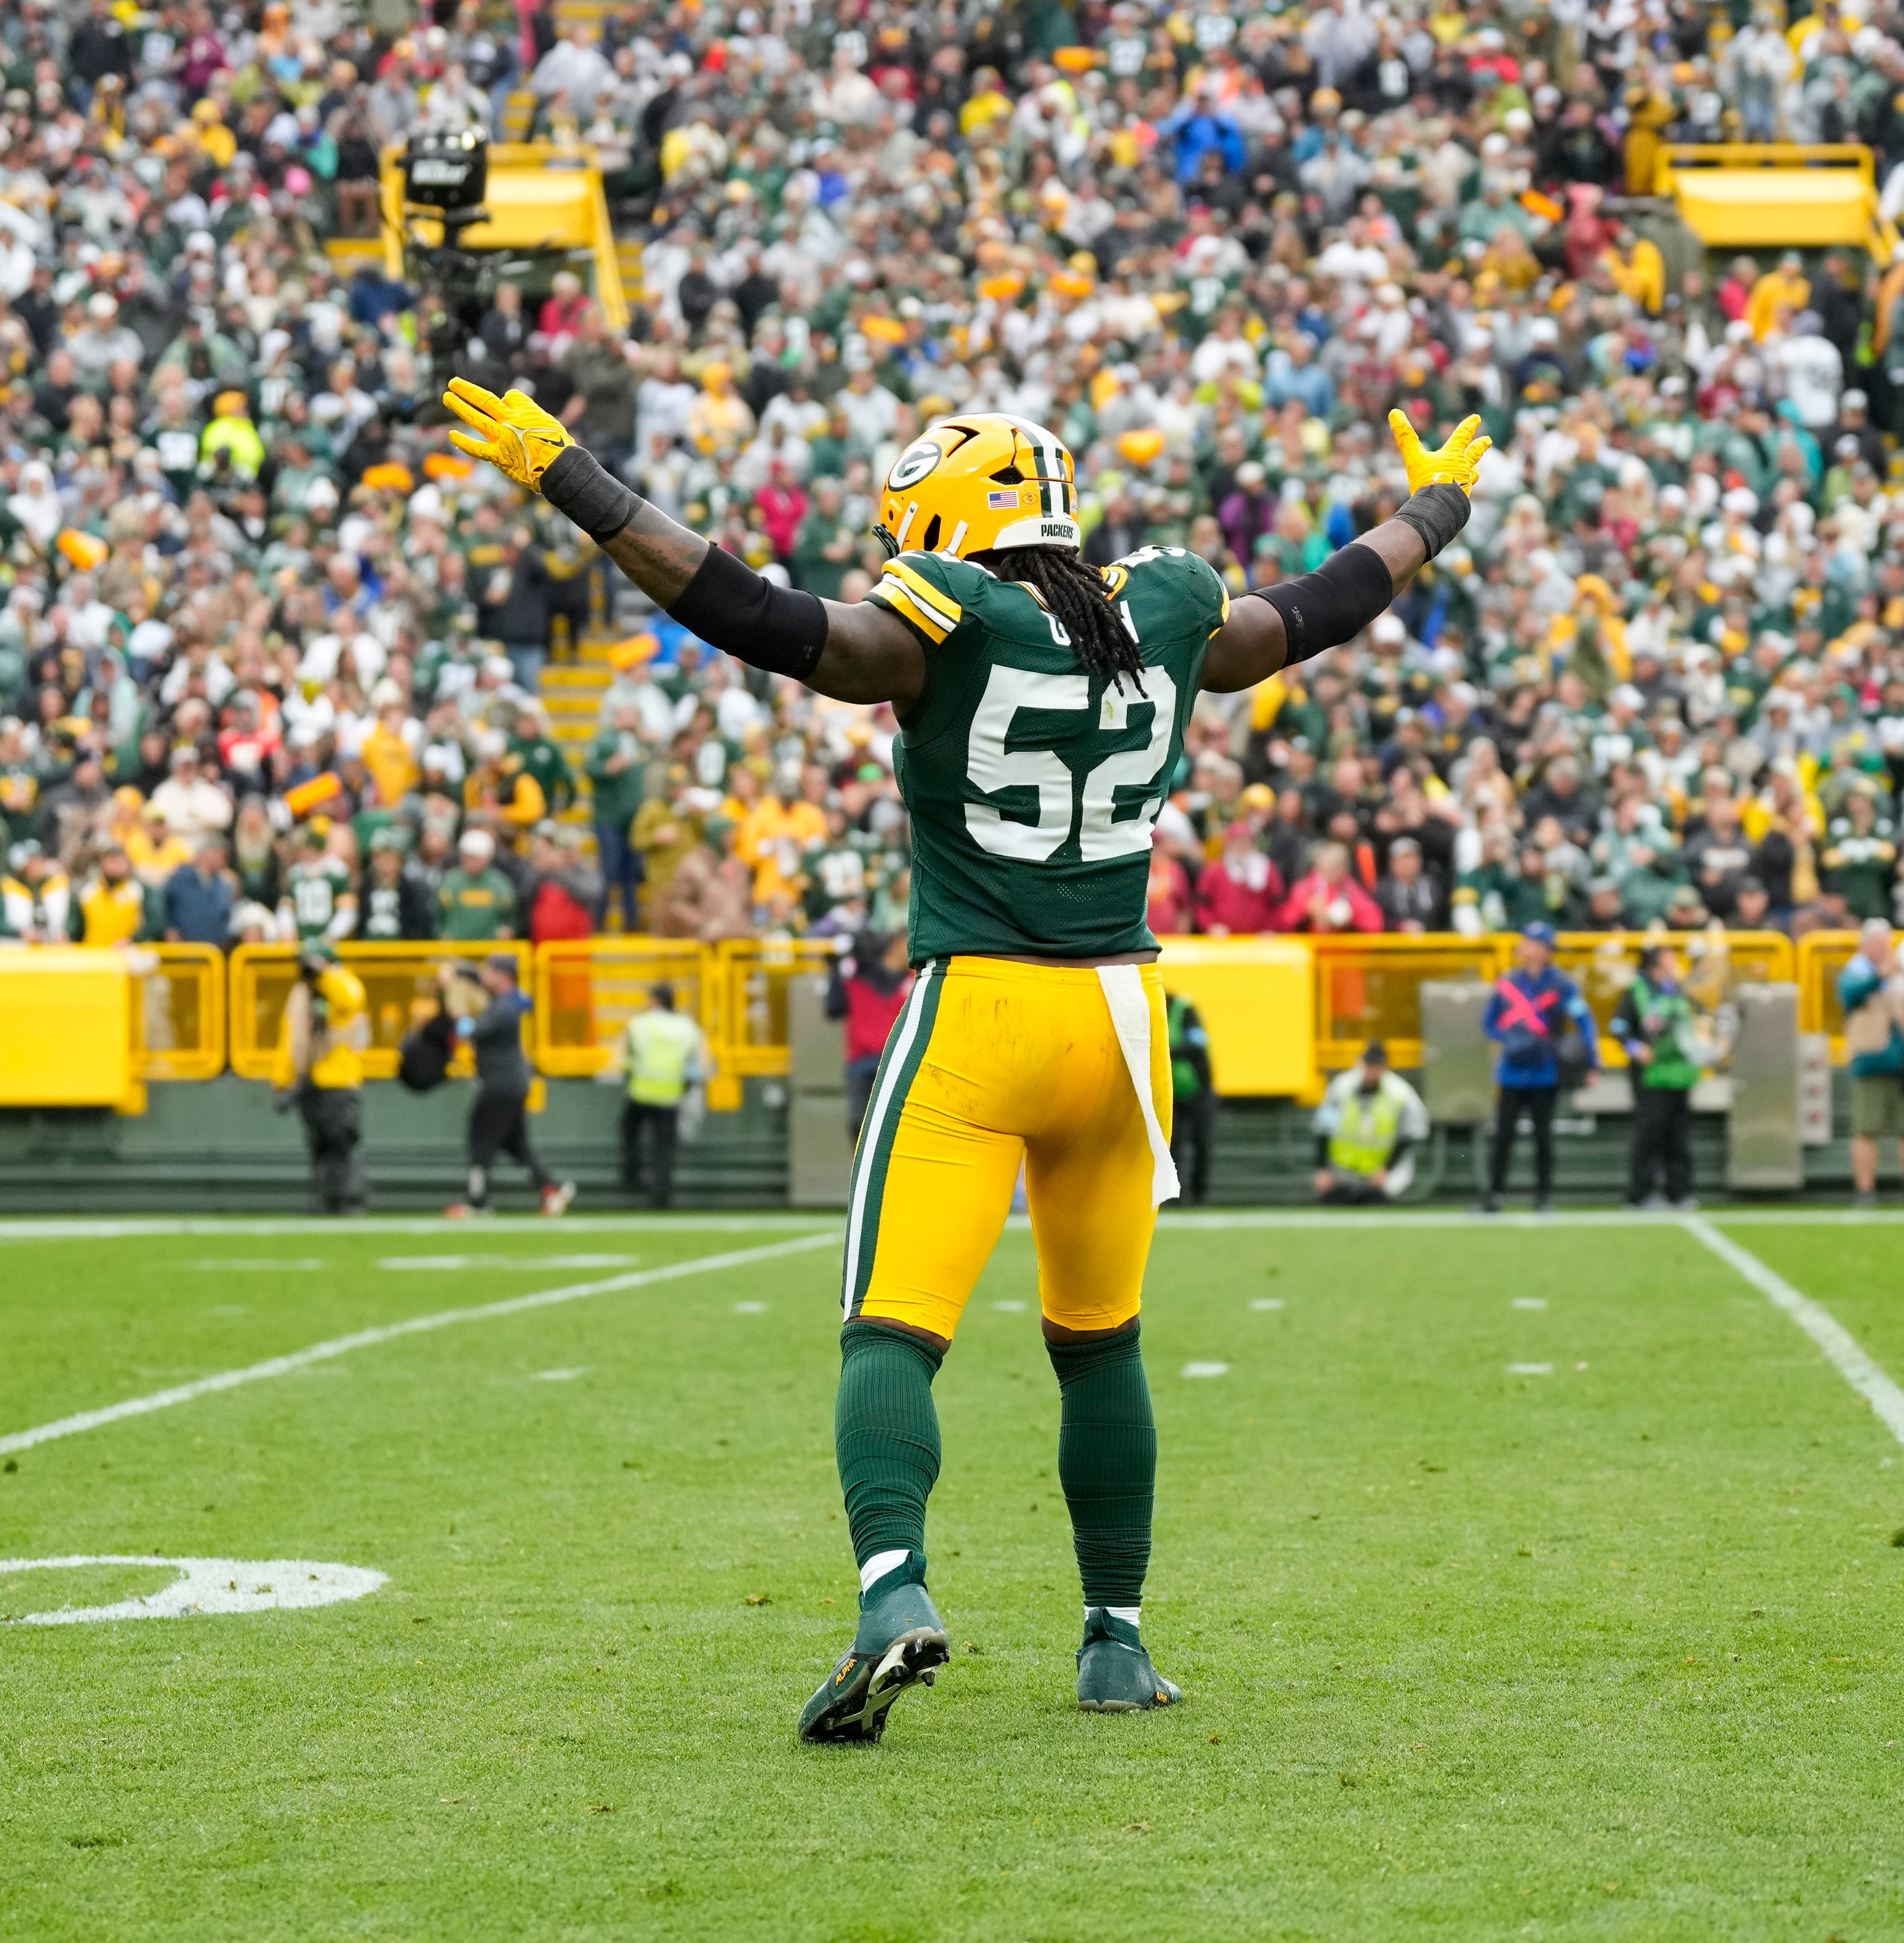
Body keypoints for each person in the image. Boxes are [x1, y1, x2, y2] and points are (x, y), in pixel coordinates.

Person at [445, 377, 1486, 1737]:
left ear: (949, 514)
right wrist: (1438, 507)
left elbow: (757, 617)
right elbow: (1319, 610)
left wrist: (574, 481)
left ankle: (894, 1593)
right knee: (1099, 1344)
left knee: (891, 1328)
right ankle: (1113, 1640)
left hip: (983, 1009)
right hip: (1121, 1024)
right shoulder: (1163, 607)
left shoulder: (948, 624)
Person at [1478, 920, 1595, 1214]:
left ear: (1545, 950)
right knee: (1503, 1137)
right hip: (1512, 1071)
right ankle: (1494, 1195)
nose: (1525, 948)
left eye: (1532, 943)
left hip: (1545, 1070)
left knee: (1543, 1137)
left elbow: (1583, 1020)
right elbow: (1489, 1021)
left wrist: (1590, 1060)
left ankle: (1543, 1196)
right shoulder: (1508, 982)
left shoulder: (1561, 984)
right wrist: (1507, 1039)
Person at [446, 951, 573, 1218]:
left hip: (501, 1084)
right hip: (512, 1083)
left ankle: (477, 1200)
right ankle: (552, 1189)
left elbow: (471, 1032)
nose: (485, 976)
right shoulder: (508, 1002)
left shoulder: (504, 1007)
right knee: (516, 1144)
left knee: (479, 1139)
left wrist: (458, 1009)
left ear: (503, 976)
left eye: (490, 972)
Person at [1839, 921, 1904, 1209]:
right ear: (1865, 944)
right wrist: (1883, 973)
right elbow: (1850, 996)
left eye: (1886, 942)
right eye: (1877, 942)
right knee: (1867, 1129)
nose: (1883, 948)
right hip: (1872, 1057)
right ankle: (1865, 1190)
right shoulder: (1855, 971)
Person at [276, 941, 370, 1216]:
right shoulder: (303, 994)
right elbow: (292, 1038)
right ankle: (328, 1202)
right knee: (319, 1147)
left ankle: (351, 1202)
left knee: (343, 1144)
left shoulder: (344, 984)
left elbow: (350, 999)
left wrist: (324, 974)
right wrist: (283, 1077)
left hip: (340, 1080)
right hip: (311, 1082)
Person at [1612, 945, 1703, 1210]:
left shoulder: (1676, 989)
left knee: (1679, 1136)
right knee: (1650, 1134)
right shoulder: (1636, 992)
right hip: (1650, 1075)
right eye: (1668, 956)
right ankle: (1640, 1193)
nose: (1674, 960)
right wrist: (1635, 1048)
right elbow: (1618, 1026)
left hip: (1680, 1073)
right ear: (1654, 964)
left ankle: (1679, 1192)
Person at [609, 980, 710, 1210]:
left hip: (642, 1091)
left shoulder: (640, 1024)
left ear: (655, 1001)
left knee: (629, 1130)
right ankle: (661, 1197)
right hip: (671, 1094)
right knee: (665, 1148)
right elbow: (698, 1062)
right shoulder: (687, 1026)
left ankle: (632, 1174)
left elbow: (625, 1058)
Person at [1311, 1040, 1426, 1203]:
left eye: (1377, 1066)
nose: (1372, 1071)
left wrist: (1386, 1170)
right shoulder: (1341, 1088)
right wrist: (1322, 1170)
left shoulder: (1401, 1094)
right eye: (1369, 1065)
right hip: (1341, 1175)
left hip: (1379, 1178)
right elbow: (1323, 1130)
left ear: (1385, 1067)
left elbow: (1413, 1134)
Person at [827, 929, 910, 1134]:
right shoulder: (856, 977)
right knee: (860, 1126)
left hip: (898, 1063)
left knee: (897, 1128)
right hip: (862, 1063)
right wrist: (836, 970)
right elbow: (833, 1009)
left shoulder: (915, 979)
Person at [1165, 986, 1215, 1205]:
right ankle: (1173, 1196)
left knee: (1201, 1143)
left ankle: (1198, 1195)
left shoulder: (1185, 1010)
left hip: (1198, 1091)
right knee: (1171, 1145)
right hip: (1169, 1093)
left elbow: (1197, 1044)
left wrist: (1165, 1050)